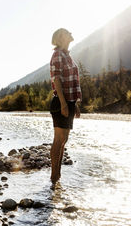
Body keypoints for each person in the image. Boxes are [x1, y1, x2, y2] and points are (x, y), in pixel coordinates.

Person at [50, 28, 82, 185]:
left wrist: (74, 104)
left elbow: (73, 82)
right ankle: (53, 175)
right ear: (61, 38)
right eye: (67, 32)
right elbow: (57, 80)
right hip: (60, 102)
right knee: (58, 140)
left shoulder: (67, 56)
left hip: (69, 102)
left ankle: (58, 176)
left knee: (64, 140)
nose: (71, 33)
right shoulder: (57, 55)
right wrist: (63, 103)